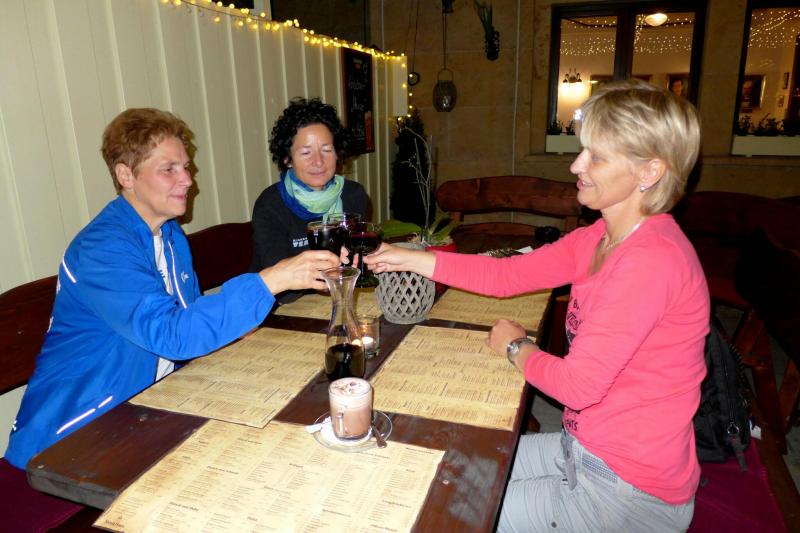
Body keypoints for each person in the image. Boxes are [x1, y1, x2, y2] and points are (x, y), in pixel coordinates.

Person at [365, 80, 709, 532]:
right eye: (583, 150)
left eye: (596, 157)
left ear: (650, 171)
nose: (576, 165)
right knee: (450, 465)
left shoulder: (651, 261)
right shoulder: (602, 236)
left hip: (626, 490)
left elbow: (577, 387)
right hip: (584, 449)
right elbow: (507, 275)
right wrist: (411, 258)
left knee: (446, 512)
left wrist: (517, 347)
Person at [4, 108, 342, 469]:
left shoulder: (167, 234)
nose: (187, 180)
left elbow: (188, 315)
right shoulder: (102, 249)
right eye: (169, 169)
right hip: (74, 438)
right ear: (125, 175)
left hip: (150, 407)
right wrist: (271, 280)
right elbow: (172, 334)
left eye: (186, 167)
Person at [250, 97, 368, 302]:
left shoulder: (353, 195)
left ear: (337, 153)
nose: (319, 162)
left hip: (337, 299)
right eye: (306, 152)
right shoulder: (270, 205)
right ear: (287, 159)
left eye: (327, 150)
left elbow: (355, 265)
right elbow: (284, 293)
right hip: (281, 309)